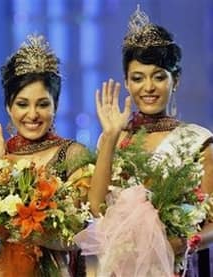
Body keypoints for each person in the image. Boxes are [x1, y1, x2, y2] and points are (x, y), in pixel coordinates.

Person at [0, 34, 130, 277]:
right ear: (8, 106)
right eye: (22, 104)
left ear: (55, 106)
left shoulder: (72, 153)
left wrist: (110, 137)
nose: (33, 114)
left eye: (43, 104)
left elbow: (92, 214)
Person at [76, 6, 213, 277]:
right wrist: (112, 136)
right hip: (119, 267)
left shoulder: (199, 142)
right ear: (127, 83)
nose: (148, 87)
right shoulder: (114, 137)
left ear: (176, 81)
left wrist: (175, 244)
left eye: (159, 76)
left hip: (177, 267)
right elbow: (95, 208)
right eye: (138, 78)